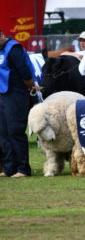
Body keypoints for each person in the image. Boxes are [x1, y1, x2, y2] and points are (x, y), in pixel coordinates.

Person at [0, 29, 39, 178]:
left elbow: (25, 72)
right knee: (3, 133)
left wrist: (31, 87)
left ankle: (23, 168)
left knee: (15, 131)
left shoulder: (14, 48)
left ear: (2, 36)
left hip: (16, 93)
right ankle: (9, 168)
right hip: (3, 94)